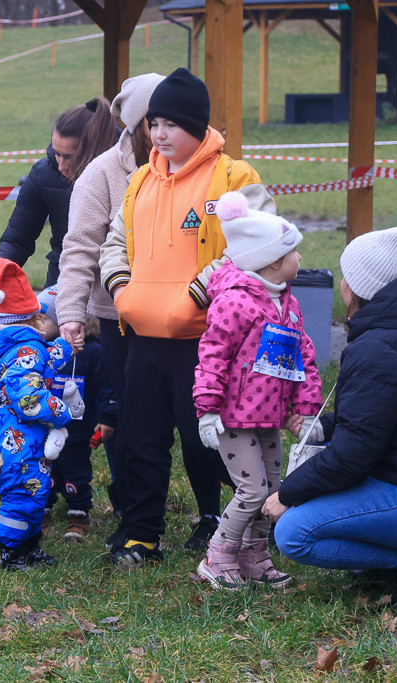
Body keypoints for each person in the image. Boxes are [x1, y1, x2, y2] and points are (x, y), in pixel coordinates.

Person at [97, 68, 276, 567]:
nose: (159, 134)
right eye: (153, 124)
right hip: (145, 338)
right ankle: (141, 536)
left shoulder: (233, 178)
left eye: (171, 124)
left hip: (208, 340)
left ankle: (242, 527)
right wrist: (121, 288)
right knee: (141, 439)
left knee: (212, 441)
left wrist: (199, 292)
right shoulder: (139, 181)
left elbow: (259, 243)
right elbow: (116, 242)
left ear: (197, 126)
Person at [262, 227, 397, 608]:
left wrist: (287, 494)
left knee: (295, 531)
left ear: (359, 288)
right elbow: (389, 419)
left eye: (346, 274)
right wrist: (325, 427)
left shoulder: (379, 348)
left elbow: (352, 458)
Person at [192, 192, 322, 590]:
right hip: (234, 417)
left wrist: (306, 409)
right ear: (271, 261)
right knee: (250, 491)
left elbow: (303, 358)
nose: (300, 259)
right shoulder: (235, 302)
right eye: (293, 252)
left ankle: (255, 555)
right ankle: (219, 555)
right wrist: (208, 408)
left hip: (271, 414)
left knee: (272, 491)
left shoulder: (288, 304)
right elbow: (212, 355)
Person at [54, 73, 164, 528]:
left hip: (184, 318)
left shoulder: (201, 171)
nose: (164, 132)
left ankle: (210, 515)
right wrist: (71, 312)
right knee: (126, 413)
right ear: (140, 124)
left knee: (188, 417)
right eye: (157, 122)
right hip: (116, 315)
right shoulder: (101, 173)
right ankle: (131, 507)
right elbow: (79, 246)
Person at [0, 258, 84, 570]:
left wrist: (66, 346)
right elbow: (28, 400)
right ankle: (11, 552)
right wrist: (60, 412)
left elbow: (44, 359)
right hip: (16, 442)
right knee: (22, 496)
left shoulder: (12, 345)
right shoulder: (27, 352)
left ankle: (29, 548)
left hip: (9, 437)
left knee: (34, 492)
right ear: (34, 319)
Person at [0, 98, 118, 287]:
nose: (60, 165)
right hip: (63, 278)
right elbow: (17, 240)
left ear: (92, 149)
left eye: (69, 157)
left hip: (113, 281)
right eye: (56, 153)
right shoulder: (43, 174)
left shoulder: (125, 172)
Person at [36, 289, 118, 543]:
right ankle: (42, 510)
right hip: (43, 427)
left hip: (77, 430)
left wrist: (107, 416)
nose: (35, 324)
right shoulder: (37, 351)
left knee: (75, 471)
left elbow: (106, 387)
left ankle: (79, 513)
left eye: (42, 318)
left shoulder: (93, 352)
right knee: (43, 470)